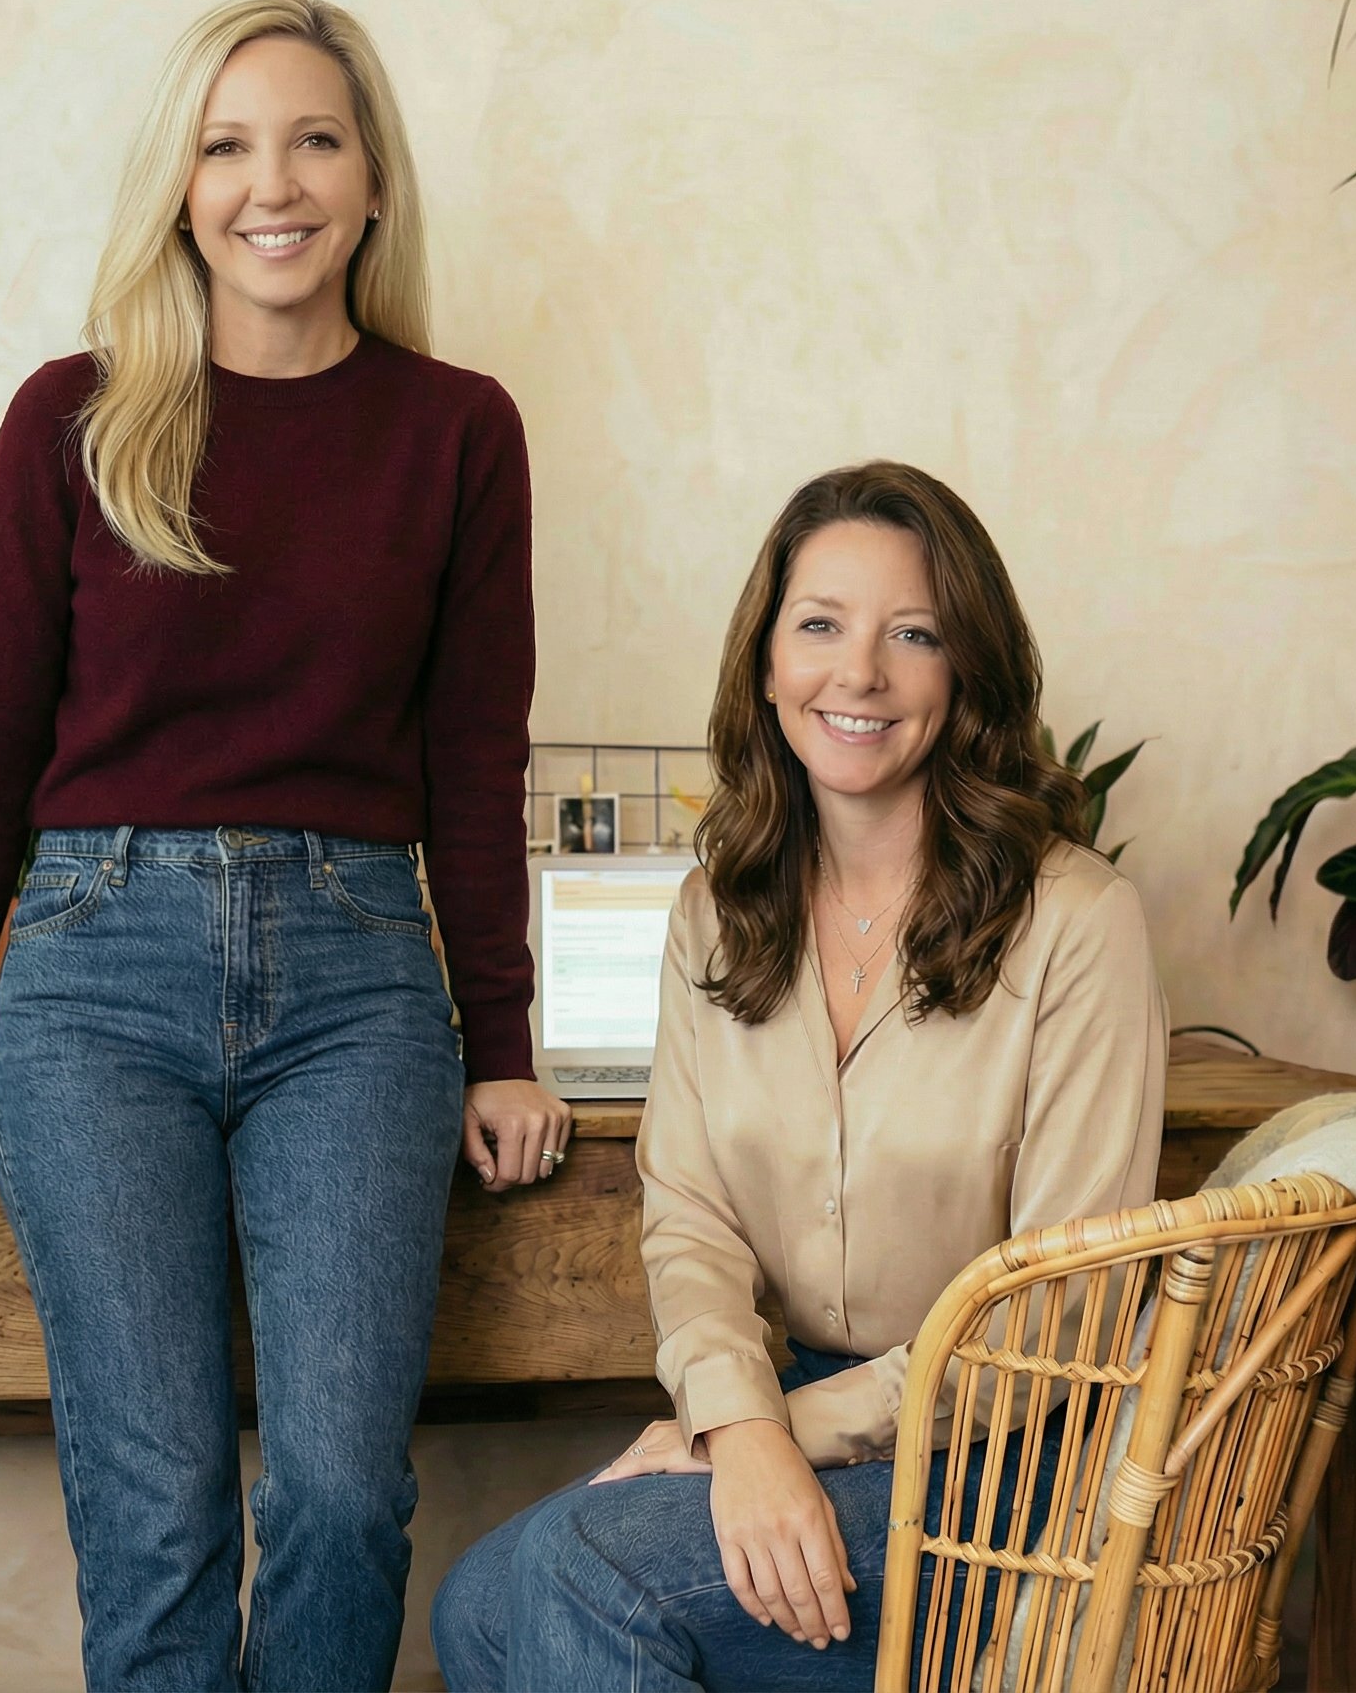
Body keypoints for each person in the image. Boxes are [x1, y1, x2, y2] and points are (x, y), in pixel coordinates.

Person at [0, 0, 570, 1693]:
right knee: (156, 1500)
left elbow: (472, 762)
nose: (274, 181)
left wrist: (502, 1040)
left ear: (373, 180)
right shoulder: (75, 418)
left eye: (315, 137)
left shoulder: (459, 430)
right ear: (178, 185)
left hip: (357, 985)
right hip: (96, 977)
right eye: (227, 142)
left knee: (335, 1487)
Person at [432, 461, 1167, 1692]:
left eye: (912, 634)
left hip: (1007, 1450)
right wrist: (737, 1414)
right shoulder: (715, 912)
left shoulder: (1075, 919)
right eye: (819, 625)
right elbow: (690, 1216)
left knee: (572, 1575)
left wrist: (776, 1437)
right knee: (479, 1607)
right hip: (792, 1401)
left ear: (966, 673)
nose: (858, 673)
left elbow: (1060, 1308)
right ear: (766, 661)